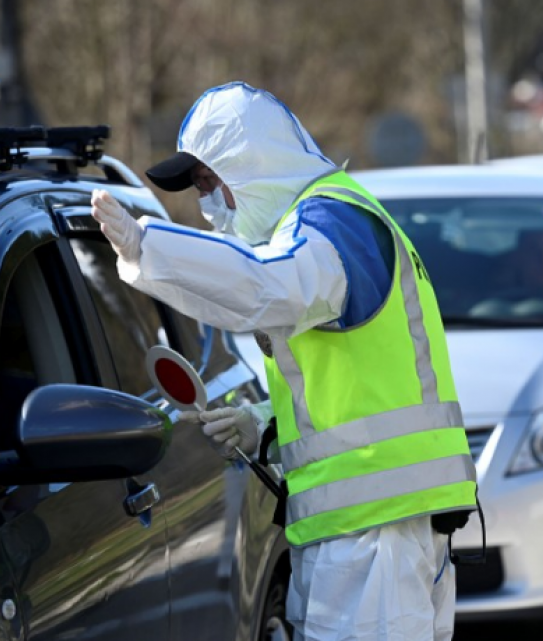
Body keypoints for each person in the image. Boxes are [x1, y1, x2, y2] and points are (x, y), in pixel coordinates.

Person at [90, 81, 479, 640]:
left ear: (252, 166)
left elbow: (266, 287)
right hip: (377, 526)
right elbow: (358, 384)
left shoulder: (329, 224)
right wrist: (266, 426)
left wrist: (147, 248)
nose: (206, 205)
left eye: (208, 182)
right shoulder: (337, 221)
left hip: (374, 536)